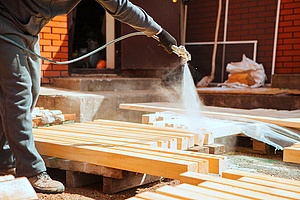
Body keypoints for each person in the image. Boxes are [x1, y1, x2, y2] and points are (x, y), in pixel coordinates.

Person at [0, 0, 177, 194]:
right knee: (19, 93)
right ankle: (32, 170)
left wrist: (158, 32)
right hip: (5, 23)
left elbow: (122, 7)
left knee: (31, 91)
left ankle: (4, 158)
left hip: (30, 32)